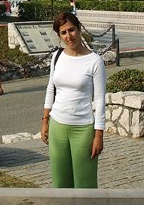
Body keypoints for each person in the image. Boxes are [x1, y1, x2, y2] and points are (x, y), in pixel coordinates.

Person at [41, 11, 106, 188]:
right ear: (59, 35)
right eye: (63, 32)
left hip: (83, 129)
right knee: (60, 183)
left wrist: (98, 135)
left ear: (79, 29)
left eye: (72, 30)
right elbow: (50, 89)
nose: (69, 36)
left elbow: (100, 101)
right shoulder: (57, 56)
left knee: (85, 185)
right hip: (57, 127)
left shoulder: (94, 61)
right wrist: (45, 121)